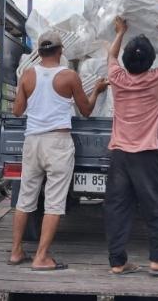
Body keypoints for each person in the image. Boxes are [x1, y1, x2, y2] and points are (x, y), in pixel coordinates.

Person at [8, 30, 108, 271]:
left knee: (25, 199)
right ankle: (41, 257)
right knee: (53, 202)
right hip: (58, 143)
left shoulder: (27, 75)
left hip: (32, 141)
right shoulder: (69, 76)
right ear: (61, 51)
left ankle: (15, 251)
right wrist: (96, 90)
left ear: (39, 52)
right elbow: (85, 110)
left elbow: (17, 112)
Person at [103, 14, 158, 276]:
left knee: (117, 208)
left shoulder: (117, 78)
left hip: (119, 155)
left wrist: (119, 32)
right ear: (151, 62)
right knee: (157, 208)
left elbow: (111, 58)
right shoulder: (157, 78)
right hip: (146, 155)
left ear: (127, 61)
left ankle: (117, 262)